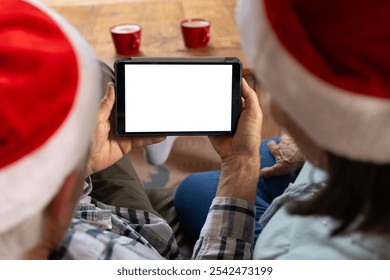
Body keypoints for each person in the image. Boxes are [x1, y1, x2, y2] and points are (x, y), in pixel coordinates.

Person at [0, 0, 263, 260]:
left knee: (100, 75)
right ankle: (159, 126)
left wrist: (85, 164)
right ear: (59, 201)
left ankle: (150, 123)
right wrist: (241, 161)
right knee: (96, 81)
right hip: (144, 237)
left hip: (87, 210)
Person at [175, 0, 390, 259]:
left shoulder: (294, 254)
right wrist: (312, 148)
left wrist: (239, 162)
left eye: (271, 83)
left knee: (196, 193)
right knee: (195, 188)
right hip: (333, 175)